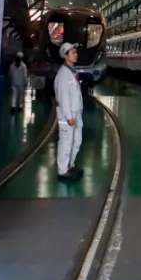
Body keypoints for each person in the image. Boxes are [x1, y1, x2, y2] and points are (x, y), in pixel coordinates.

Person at [54, 42, 84, 181]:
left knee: (77, 141)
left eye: (76, 52)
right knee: (66, 142)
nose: (76, 55)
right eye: (73, 53)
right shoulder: (63, 75)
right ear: (66, 56)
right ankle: (62, 170)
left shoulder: (72, 71)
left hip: (76, 113)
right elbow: (63, 97)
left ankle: (70, 165)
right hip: (68, 115)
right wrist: (69, 116)